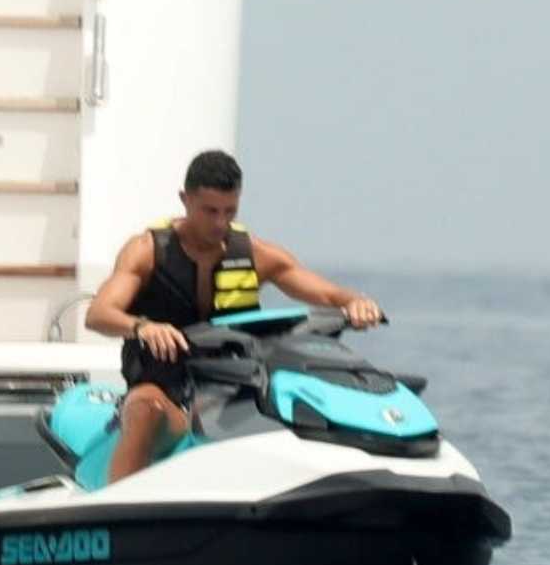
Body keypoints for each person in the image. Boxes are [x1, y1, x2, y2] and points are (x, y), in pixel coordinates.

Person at [85, 149, 384, 483]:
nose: (219, 223)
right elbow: (98, 314)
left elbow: (329, 294)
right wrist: (141, 327)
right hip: (163, 389)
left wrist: (356, 302)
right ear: (185, 200)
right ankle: (123, 509)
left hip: (228, 391)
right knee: (144, 410)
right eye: (209, 211)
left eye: (230, 211)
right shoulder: (146, 251)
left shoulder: (255, 254)